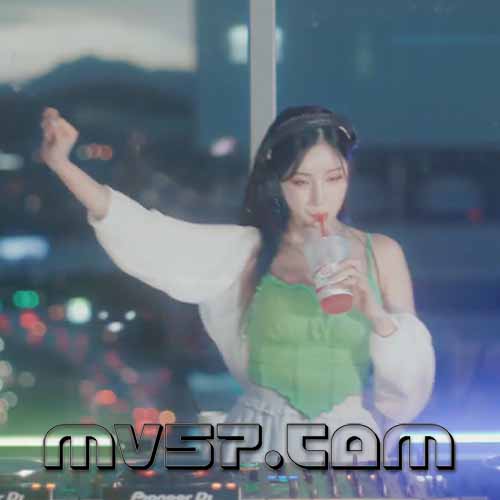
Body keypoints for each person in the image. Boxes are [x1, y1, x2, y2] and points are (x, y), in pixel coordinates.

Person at [39, 105, 435, 466]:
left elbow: (411, 384)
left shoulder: (381, 253)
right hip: (262, 439)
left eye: (334, 178)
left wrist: (377, 316)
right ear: (278, 182)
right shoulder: (248, 252)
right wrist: (61, 165)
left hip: (349, 444)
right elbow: (148, 235)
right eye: (301, 181)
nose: (320, 197)